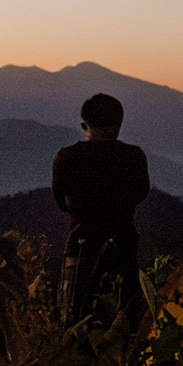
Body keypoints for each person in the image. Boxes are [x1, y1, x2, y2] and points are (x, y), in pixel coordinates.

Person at [52, 92, 151, 327]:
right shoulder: (133, 157)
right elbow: (141, 193)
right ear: (119, 123)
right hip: (123, 249)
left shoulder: (66, 158)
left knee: (76, 327)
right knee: (123, 326)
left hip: (81, 250)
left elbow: (60, 201)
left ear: (84, 125)